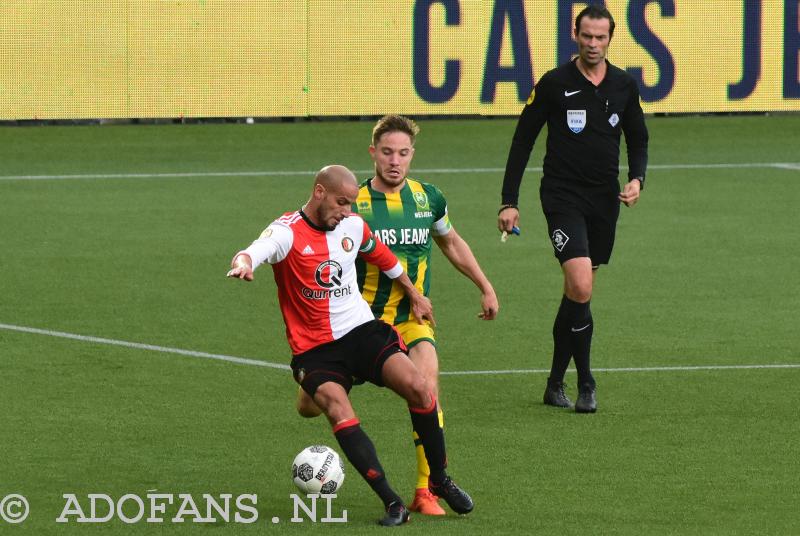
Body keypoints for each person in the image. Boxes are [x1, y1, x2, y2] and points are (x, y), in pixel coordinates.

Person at [227, 165, 473, 526]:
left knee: (420, 388)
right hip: (315, 350)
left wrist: (413, 292)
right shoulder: (286, 232)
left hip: (361, 332)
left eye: (351, 204)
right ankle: (393, 503)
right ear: (319, 193)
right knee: (339, 411)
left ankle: (439, 479)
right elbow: (254, 250)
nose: (346, 211)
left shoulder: (352, 226)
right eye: (342, 203)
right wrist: (243, 263)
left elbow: (383, 257)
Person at [296, 116, 499, 515]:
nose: (395, 161)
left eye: (403, 153)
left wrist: (485, 286)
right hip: (355, 327)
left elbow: (451, 242)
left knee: (426, 383)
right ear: (373, 154)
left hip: (410, 317)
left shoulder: (428, 199)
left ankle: (427, 489)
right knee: (307, 407)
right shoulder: (352, 204)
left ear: (412, 156)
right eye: (387, 152)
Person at [497, 4, 648, 413]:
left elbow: (637, 137)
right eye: (587, 36)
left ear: (610, 39)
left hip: (604, 199)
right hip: (562, 197)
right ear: (575, 35)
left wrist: (637, 179)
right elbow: (522, 141)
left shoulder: (623, 85)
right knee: (581, 285)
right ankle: (586, 383)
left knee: (576, 294)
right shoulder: (553, 83)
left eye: (601, 37)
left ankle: (552, 384)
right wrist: (509, 201)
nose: (593, 43)